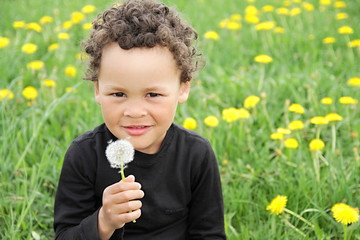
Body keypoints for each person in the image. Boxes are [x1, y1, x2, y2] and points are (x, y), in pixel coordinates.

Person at [54, 0, 226, 239]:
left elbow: (209, 233)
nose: (134, 111)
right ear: (97, 90)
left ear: (183, 89)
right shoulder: (84, 155)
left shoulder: (196, 154)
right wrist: (103, 222)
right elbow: (64, 235)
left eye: (152, 94)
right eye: (118, 94)